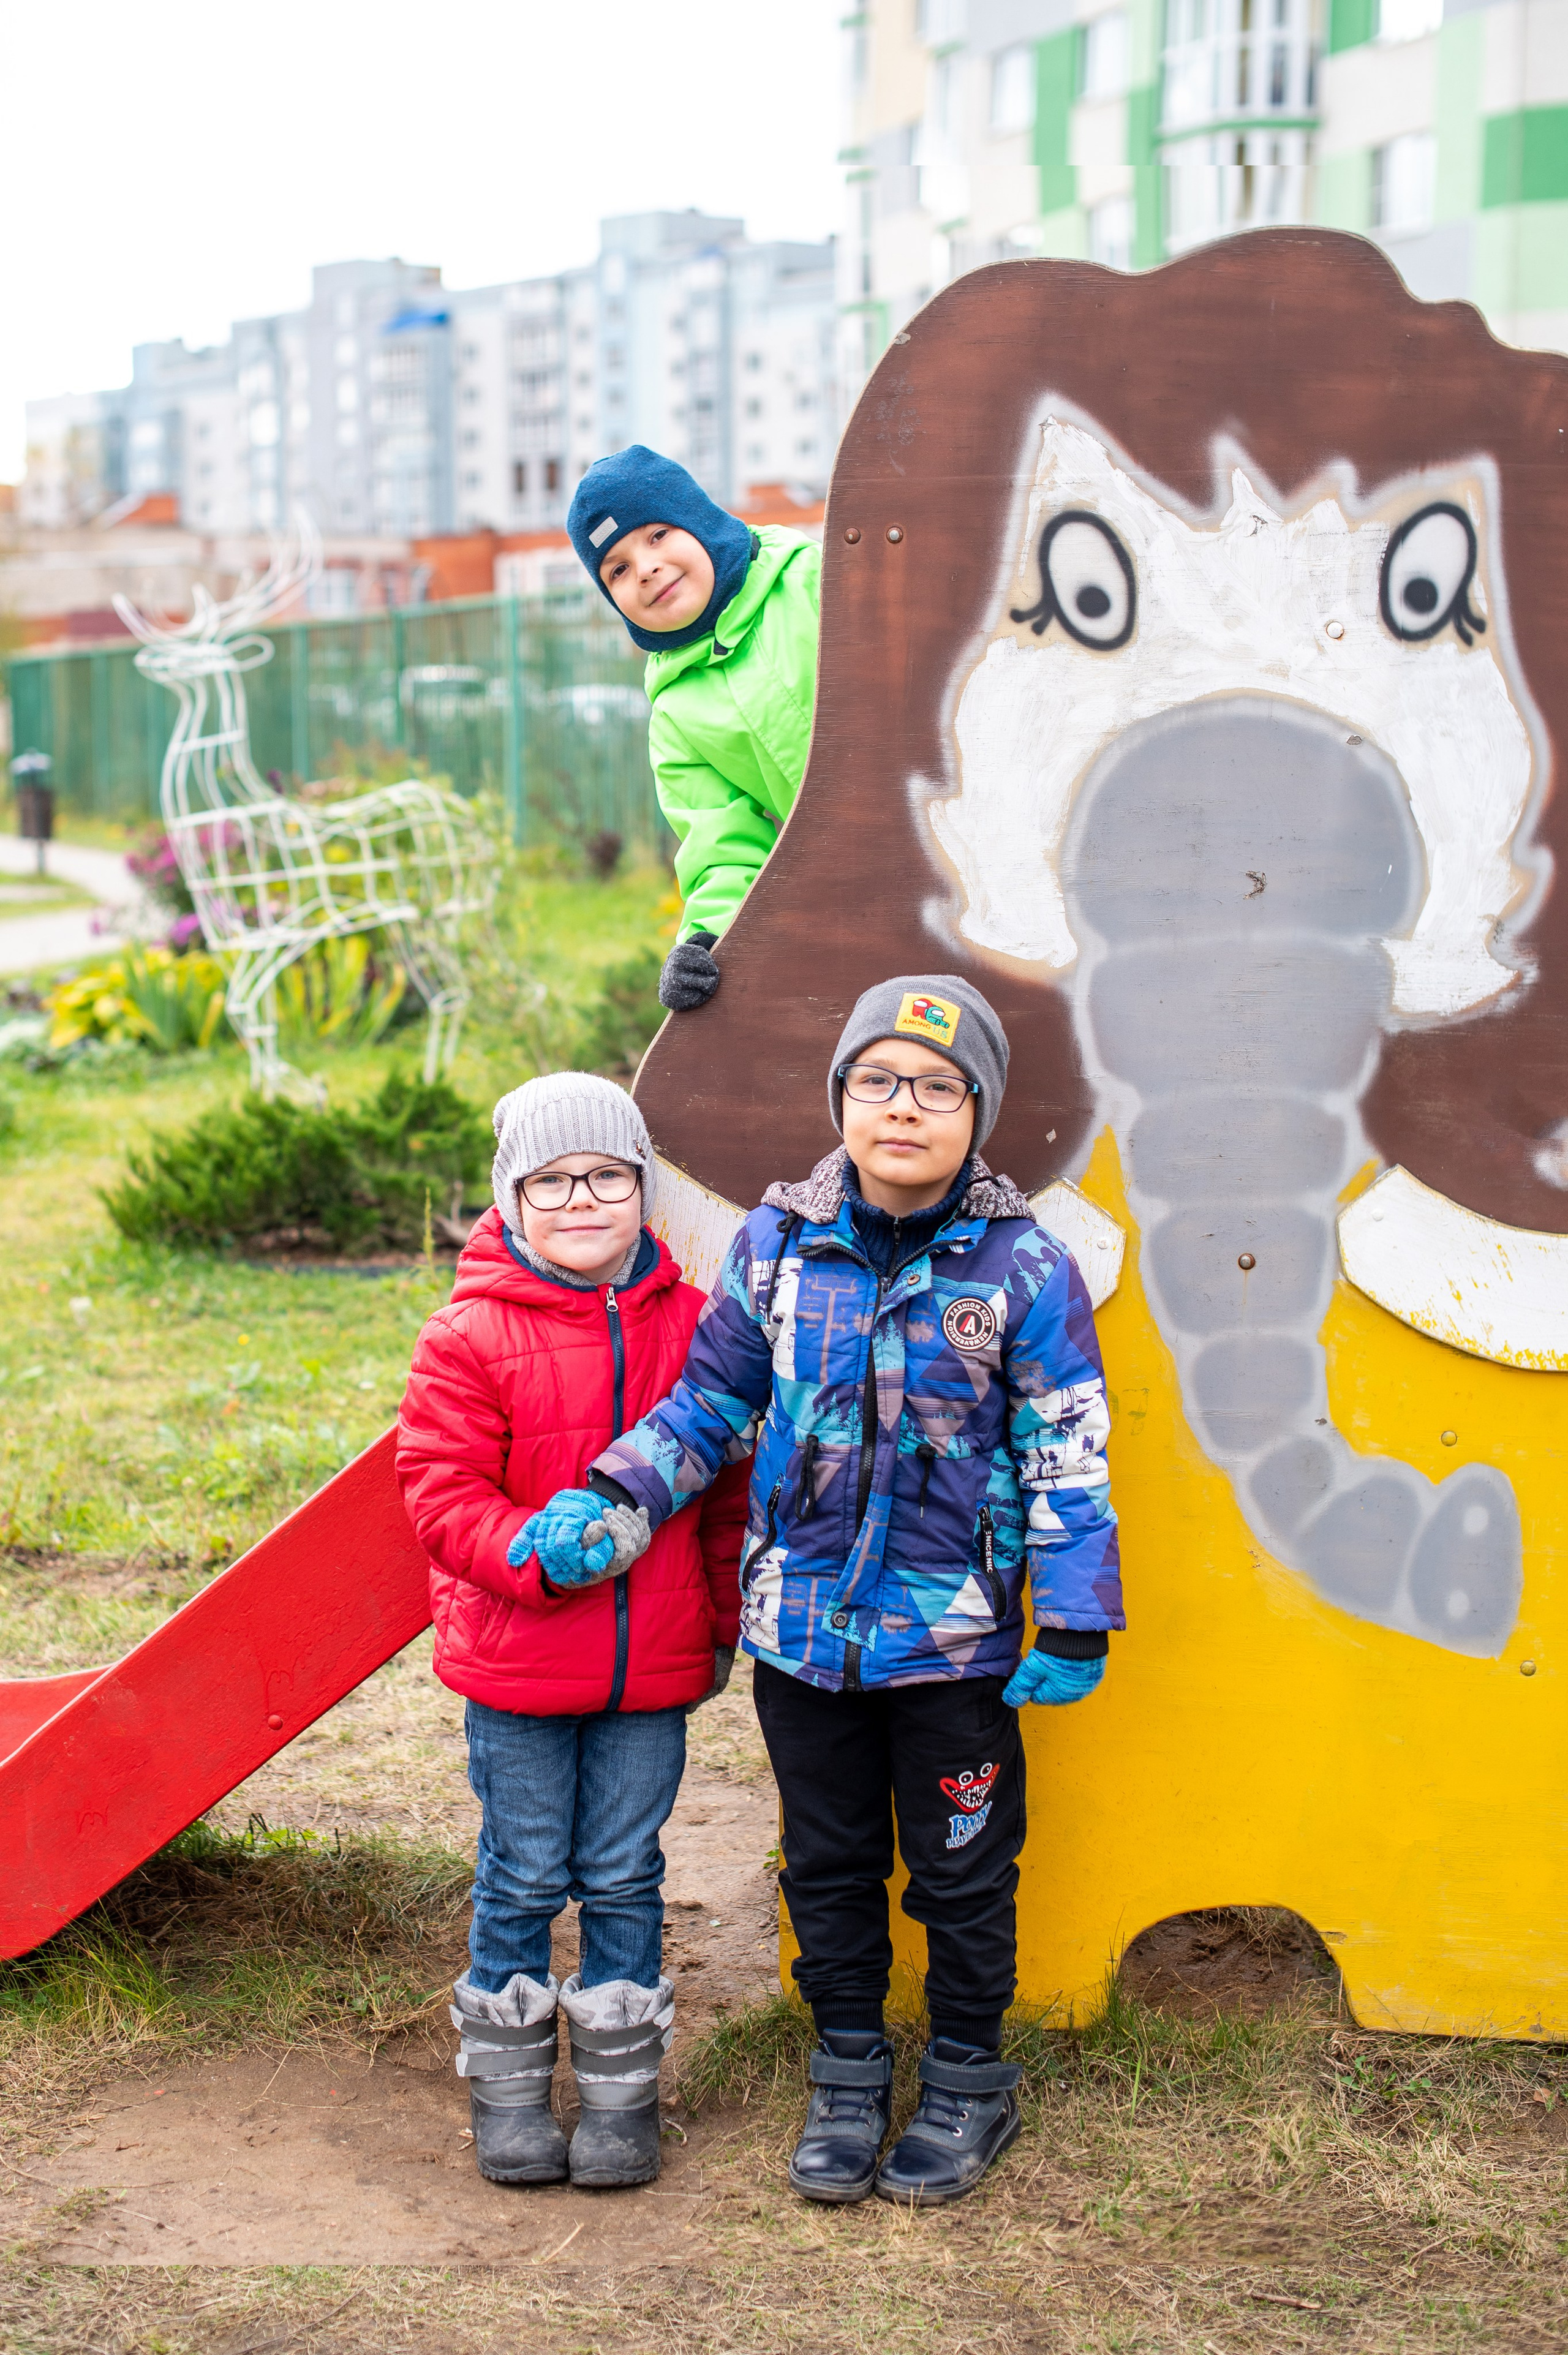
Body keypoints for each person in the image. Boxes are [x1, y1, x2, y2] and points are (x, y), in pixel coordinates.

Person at [526, 976, 1125, 2208]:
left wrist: (1071, 1609)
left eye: (934, 1087)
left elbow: (1065, 1442)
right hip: (802, 1641)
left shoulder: (1022, 1267)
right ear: (841, 1096)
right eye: (874, 1080)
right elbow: (709, 1406)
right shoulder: (776, 1242)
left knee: (960, 1870)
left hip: (952, 1651)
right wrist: (617, 1496)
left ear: (977, 1111)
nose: (899, 1107)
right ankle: (846, 2066)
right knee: (830, 1864)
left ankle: (966, 2075)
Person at [395, 1072, 748, 2193]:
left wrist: (724, 1624)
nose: (583, 1199)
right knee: (524, 1869)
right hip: (517, 1664)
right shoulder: (469, 1334)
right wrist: (529, 1556)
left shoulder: (698, 1329)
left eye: (607, 1175)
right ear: (511, 1198)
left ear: (642, 1189)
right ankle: (507, 2094)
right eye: (553, 1182)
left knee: (626, 1870)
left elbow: (732, 1497)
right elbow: (439, 1491)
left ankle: (618, 2099)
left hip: (650, 1671)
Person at [567, 445, 820, 1013]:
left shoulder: (807, 580)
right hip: (853, 873)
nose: (646, 568)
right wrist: (706, 941)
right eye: (618, 569)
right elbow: (723, 845)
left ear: (699, 518)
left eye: (657, 535)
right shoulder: (677, 715)